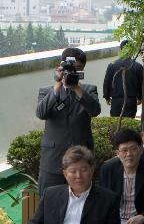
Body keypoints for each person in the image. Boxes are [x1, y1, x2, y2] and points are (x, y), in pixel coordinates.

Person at [36, 47, 101, 192]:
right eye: (71, 68)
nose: (74, 72)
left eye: (78, 69)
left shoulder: (89, 90)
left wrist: (76, 87)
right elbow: (41, 113)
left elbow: (95, 110)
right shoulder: (47, 91)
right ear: (61, 66)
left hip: (81, 161)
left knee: (83, 203)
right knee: (49, 203)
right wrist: (59, 84)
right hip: (53, 161)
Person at [101, 46, 143, 117]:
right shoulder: (137, 66)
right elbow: (141, 84)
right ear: (131, 51)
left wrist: (107, 96)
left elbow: (107, 81)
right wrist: (140, 97)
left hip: (116, 101)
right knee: (129, 124)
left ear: (120, 50)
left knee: (116, 124)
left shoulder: (112, 65)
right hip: (131, 100)